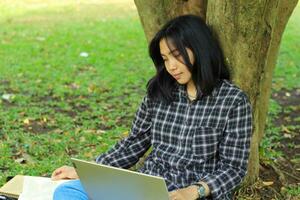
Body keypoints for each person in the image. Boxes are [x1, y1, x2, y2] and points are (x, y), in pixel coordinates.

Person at [51, 15, 252, 200]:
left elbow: (233, 168)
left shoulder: (233, 101)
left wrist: (193, 191)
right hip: (148, 187)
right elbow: (134, 141)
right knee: (67, 192)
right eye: (165, 59)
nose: (171, 66)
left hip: (191, 194)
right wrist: (89, 171)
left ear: (199, 49)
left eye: (176, 55)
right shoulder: (160, 91)